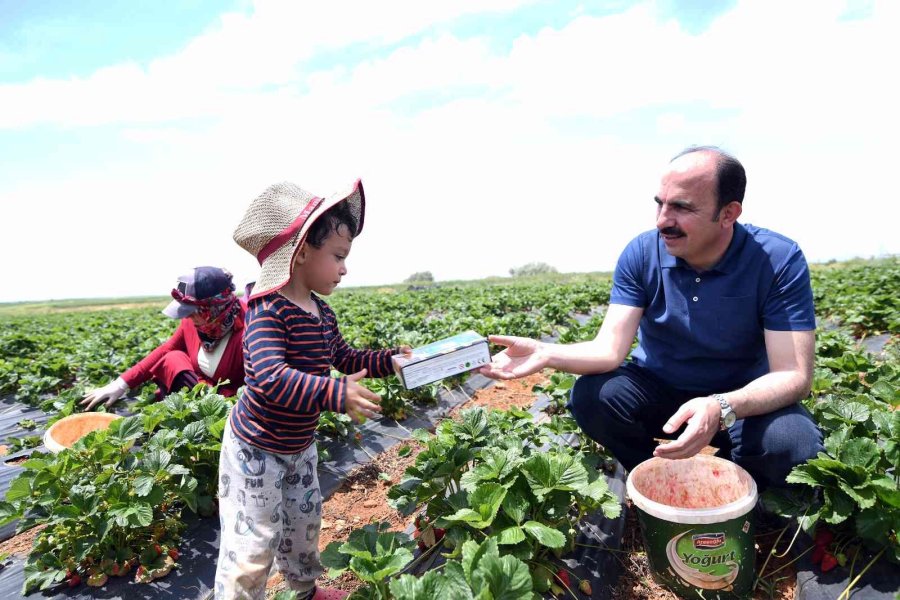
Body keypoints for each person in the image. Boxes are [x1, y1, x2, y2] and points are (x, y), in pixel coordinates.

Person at [480, 146, 824, 491]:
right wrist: (546, 353)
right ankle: (658, 479)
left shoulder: (777, 259)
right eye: (660, 203)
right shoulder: (642, 252)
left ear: (728, 213)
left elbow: (793, 375)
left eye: (681, 208)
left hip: (741, 399)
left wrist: (722, 406)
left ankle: (732, 486)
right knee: (594, 396)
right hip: (662, 390)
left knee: (791, 441)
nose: (662, 220)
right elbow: (609, 350)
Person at [216, 180, 410, 600]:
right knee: (251, 543)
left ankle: (304, 591)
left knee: (301, 529)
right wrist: (334, 394)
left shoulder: (320, 311)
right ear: (301, 252)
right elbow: (268, 376)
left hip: (299, 445)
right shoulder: (267, 310)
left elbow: (344, 357)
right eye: (338, 257)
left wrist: (391, 360)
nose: (344, 268)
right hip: (256, 449)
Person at [81, 266, 247, 410]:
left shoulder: (251, 327)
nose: (188, 318)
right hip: (204, 389)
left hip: (232, 404)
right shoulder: (195, 324)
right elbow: (165, 350)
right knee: (172, 358)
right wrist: (120, 385)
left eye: (192, 312)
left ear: (213, 307)